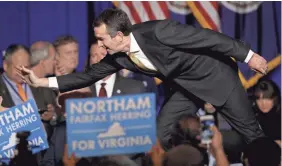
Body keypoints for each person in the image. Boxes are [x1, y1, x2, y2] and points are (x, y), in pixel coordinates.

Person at [16, 8, 268, 149]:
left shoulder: (158, 31)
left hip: (217, 78)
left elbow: (209, 38)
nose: (99, 45)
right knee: (159, 133)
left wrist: (249, 56)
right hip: (186, 89)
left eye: (102, 39)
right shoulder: (117, 56)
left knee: (251, 135)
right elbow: (86, 77)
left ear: (118, 36)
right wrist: (41, 82)